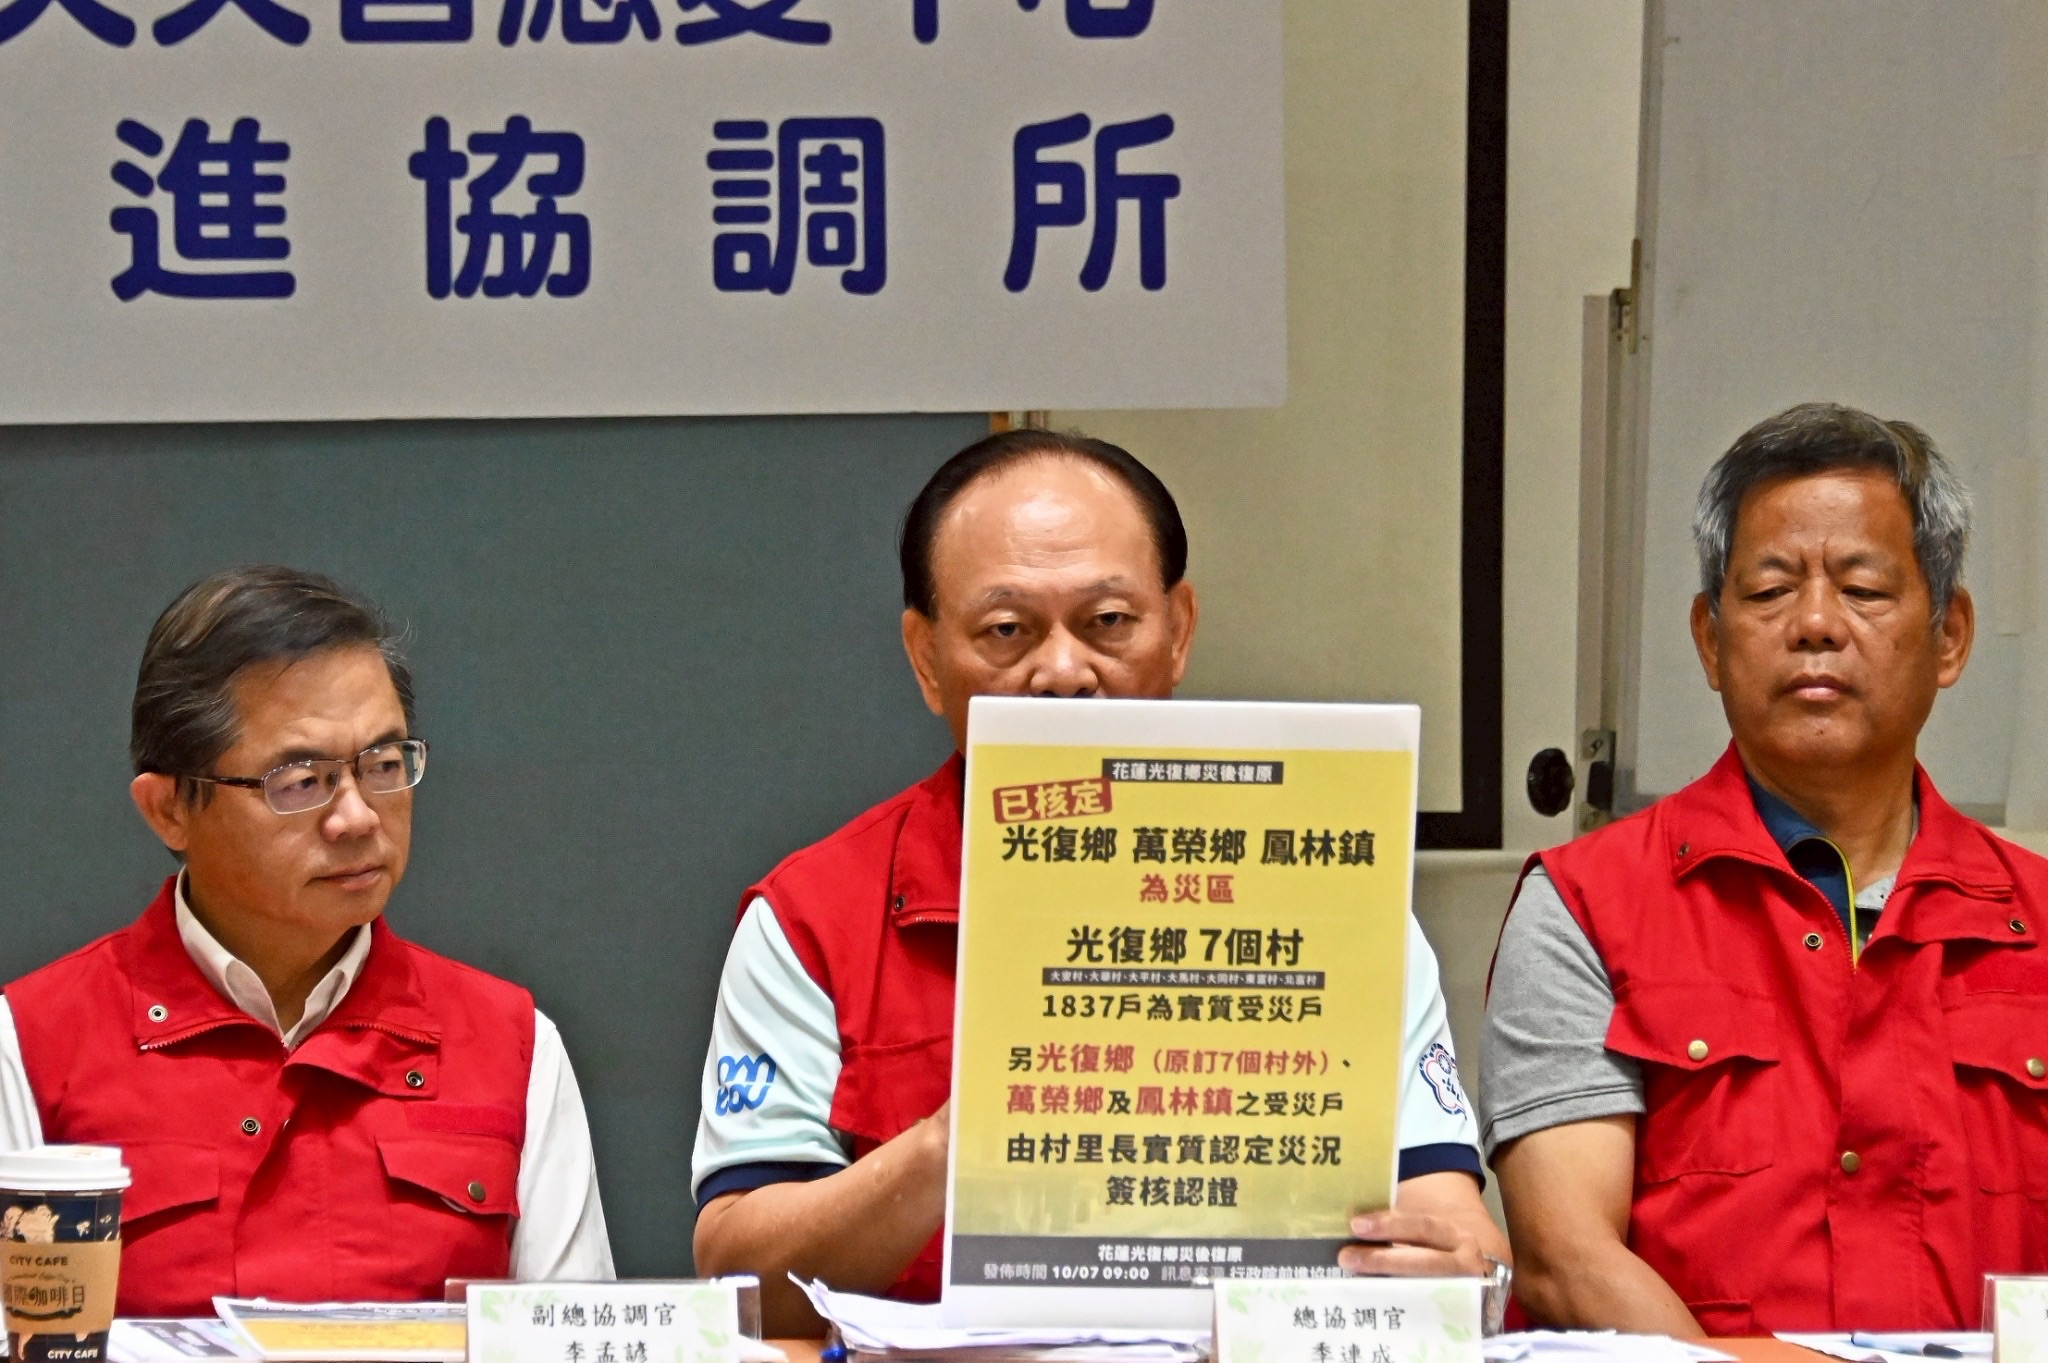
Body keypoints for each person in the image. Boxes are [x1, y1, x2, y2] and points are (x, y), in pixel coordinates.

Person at [692, 429, 1507, 1334]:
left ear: (1179, 629)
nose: (1063, 673)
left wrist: (1460, 1274)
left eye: (1109, 621)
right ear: (925, 657)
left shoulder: (1336, 898)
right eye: (1007, 631)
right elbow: (739, 1276)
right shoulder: (813, 917)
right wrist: (953, 1145)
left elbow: (1460, 1231)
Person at [1480, 402, 2046, 1335]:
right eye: (1772, 589)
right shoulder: (1584, 905)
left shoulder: (2039, 919)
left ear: (1949, 635)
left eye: (1863, 588)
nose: (1815, 623)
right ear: (1710, 639)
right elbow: (1567, 1258)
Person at [0, 567, 613, 1315]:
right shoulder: (30, 1045)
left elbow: (574, 1337)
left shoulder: (512, 1045)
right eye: (300, 781)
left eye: (383, 765)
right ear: (168, 809)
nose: (357, 817)